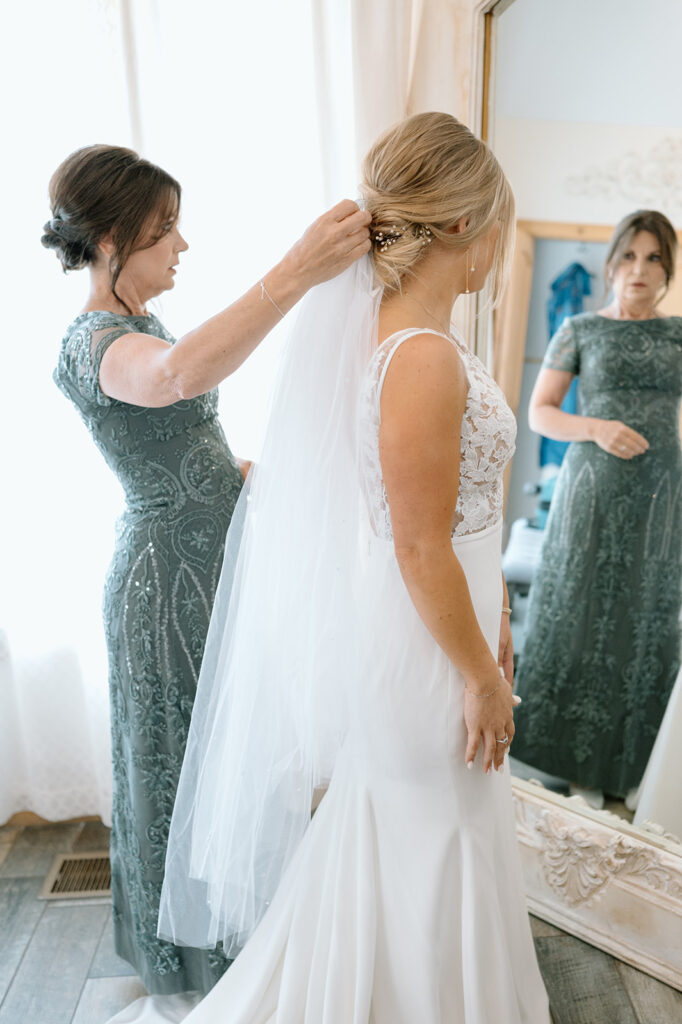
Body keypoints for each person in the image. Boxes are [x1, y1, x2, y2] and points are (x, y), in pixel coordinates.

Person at [135, 112, 550, 1024]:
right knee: (433, 834)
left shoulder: (416, 344)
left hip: (442, 624)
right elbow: (416, 544)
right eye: (495, 226)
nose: (496, 249)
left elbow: (457, 521)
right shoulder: (421, 356)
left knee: (424, 834)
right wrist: (479, 673)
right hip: (424, 642)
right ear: (458, 229)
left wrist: (500, 627)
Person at [44, 143, 371, 997]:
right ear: (113, 238)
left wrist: (236, 475)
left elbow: (181, 427)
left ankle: (240, 939)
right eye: (166, 229)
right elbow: (178, 378)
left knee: (229, 757)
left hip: (217, 562)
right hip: (164, 584)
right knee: (183, 759)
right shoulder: (95, 343)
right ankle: (193, 962)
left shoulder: (144, 326)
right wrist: (294, 271)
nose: (182, 245)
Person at [512, 210, 682, 810]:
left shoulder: (679, 333)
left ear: (667, 269)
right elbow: (540, 412)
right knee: (580, 617)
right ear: (612, 262)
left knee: (648, 625)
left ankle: (634, 770)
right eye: (630, 255)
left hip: (663, 501)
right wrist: (598, 428)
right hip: (590, 493)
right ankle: (573, 766)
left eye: (655, 257)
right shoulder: (581, 329)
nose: (640, 269)